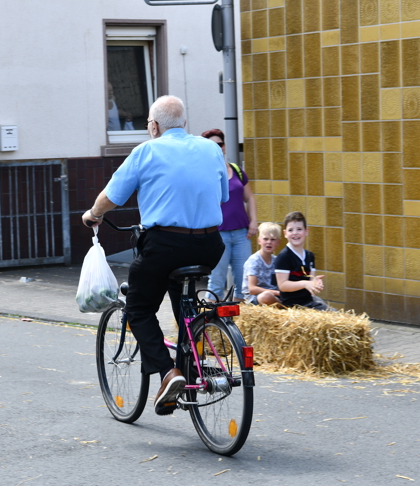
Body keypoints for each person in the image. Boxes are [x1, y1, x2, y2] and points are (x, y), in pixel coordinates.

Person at [82, 95, 228, 416]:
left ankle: (169, 374)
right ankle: (191, 365)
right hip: (210, 244)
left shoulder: (146, 151)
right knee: (184, 303)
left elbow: (112, 196)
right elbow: (223, 194)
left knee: (139, 307)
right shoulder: (210, 149)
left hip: (164, 244)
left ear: (154, 126)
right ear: (185, 124)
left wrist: (93, 213)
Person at [201, 128, 257, 301]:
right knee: (216, 282)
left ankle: (236, 325)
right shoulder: (204, 173)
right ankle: (210, 324)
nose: (218, 147)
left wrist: (253, 221)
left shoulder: (237, 170)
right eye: (213, 145)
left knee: (243, 284)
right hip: (218, 234)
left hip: (242, 234)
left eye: (220, 144)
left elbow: (250, 197)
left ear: (225, 146)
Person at [273, 211, 327, 310]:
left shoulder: (310, 256)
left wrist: (315, 282)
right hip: (292, 306)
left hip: (308, 302)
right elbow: (282, 285)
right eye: (290, 230)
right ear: (285, 233)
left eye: (299, 229)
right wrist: (304, 283)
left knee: (333, 313)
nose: (295, 233)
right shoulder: (283, 256)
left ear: (306, 231)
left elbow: (310, 281)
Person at [242, 222, 282, 306]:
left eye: (273, 239)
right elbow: (252, 289)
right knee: (266, 296)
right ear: (259, 241)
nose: (269, 242)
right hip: (255, 298)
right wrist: (277, 293)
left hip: (275, 296)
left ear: (278, 242)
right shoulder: (254, 261)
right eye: (265, 239)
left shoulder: (277, 260)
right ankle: (285, 307)